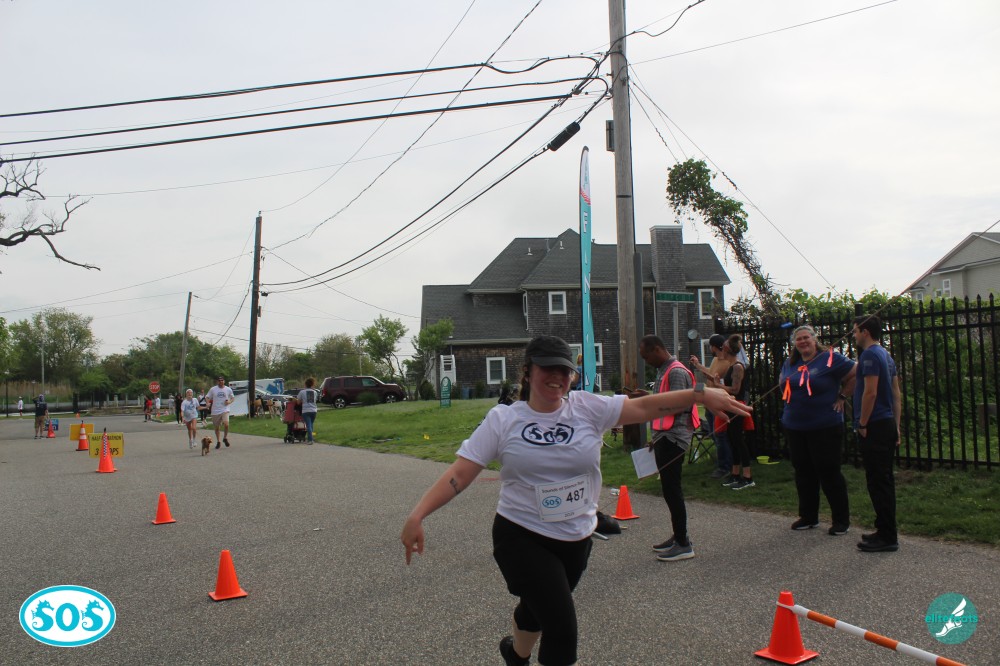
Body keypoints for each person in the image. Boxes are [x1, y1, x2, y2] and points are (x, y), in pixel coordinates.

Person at [400, 335, 751, 666]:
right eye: (547, 368)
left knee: (537, 609)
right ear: (528, 371)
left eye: (564, 370)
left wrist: (701, 394)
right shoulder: (504, 420)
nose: (557, 377)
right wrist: (417, 515)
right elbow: (460, 474)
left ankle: (516, 655)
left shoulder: (586, 408)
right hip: (521, 535)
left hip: (576, 538)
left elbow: (645, 407)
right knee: (561, 628)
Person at [779, 325, 857, 535]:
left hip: (825, 425)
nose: (803, 342)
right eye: (799, 339)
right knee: (803, 471)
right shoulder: (790, 363)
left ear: (814, 339)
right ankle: (808, 516)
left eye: (806, 337)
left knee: (828, 470)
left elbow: (856, 373)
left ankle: (841, 520)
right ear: (794, 344)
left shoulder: (830, 359)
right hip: (795, 425)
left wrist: (842, 396)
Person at [634, 335, 699, 562]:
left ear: (657, 350)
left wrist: (651, 403)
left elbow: (679, 405)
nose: (646, 361)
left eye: (646, 357)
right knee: (669, 491)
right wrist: (650, 398)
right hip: (664, 436)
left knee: (672, 490)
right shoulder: (664, 370)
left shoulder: (676, 372)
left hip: (674, 438)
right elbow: (665, 400)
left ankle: (683, 544)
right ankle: (679, 536)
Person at [851, 315, 902, 553]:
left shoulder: (870, 355)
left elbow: (870, 392)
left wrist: (862, 423)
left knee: (878, 482)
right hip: (887, 423)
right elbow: (896, 394)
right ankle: (883, 529)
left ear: (865, 332)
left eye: (855, 331)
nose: (853, 335)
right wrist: (896, 425)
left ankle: (887, 537)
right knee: (883, 480)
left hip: (875, 425)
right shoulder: (886, 355)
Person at [689, 333, 734, 479]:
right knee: (714, 434)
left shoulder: (726, 363)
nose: (710, 349)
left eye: (710, 346)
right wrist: (697, 364)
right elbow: (710, 372)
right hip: (709, 402)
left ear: (714, 347)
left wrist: (708, 376)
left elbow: (717, 379)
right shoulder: (715, 360)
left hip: (718, 402)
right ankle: (724, 460)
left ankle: (725, 466)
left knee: (720, 435)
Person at [718, 334, 754, 490]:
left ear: (727, 350)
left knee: (738, 440)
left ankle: (748, 477)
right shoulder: (731, 365)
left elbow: (735, 390)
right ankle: (735, 474)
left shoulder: (738, 367)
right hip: (730, 406)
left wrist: (718, 385)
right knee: (732, 440)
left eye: (723, 348)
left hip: (737, 406)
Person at [205, 376, 235, 450]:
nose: (221, 381)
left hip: (225, 409)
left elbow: (232, 398)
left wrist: (229, 402)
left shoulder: (228, 389)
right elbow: (207, 397)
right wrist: (207, 403)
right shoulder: (213, 389)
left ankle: (225, 438)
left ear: (224, 381)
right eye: (219, 380)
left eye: (222, 380)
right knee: (217, 427)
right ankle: (218, 441)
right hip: (215, 410)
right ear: (217, 381)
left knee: (226, 424)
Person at [296, 377, 319, 444]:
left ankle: (310, 440)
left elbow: (298, 402)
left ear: (305, 384)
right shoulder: (315, 392)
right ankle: (311, 438)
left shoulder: (302, 392)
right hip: (314, 410)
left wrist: (300, 400)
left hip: (306, 410)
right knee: (311, 425)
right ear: (312, 384)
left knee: (308, 425)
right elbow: (314, 400)